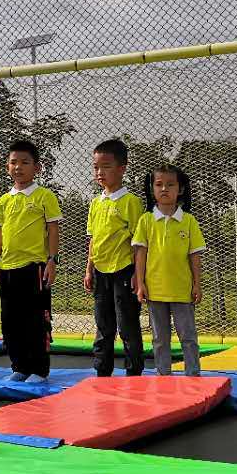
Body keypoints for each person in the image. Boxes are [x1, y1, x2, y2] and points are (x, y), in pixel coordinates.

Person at [0, 139, 61, 384]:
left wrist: (52, 260)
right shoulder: (3, 202)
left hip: (34, 268)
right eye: (13, 162)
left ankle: (39, 369)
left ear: (37, 168)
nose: (18, 167)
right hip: (8, 269)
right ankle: (19, 365)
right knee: (11, 321)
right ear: (7, 166)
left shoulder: (44, 196)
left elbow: (52, 230)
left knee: (36, 321)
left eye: (25, 162)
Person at [131, 163, 206, 375]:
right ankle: (163, 374)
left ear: (180, 189)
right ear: (152, 189)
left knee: (188, 337)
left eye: (170, 184)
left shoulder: (189, 221)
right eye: (159, 184)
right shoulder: (146, 221)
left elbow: (195, 256)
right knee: (159, 338)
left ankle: (193, 374)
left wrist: (197, 284)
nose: (164, 189)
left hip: (182, 291)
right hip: (155, 291)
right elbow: (140, 254)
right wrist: (141, 283)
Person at [85, 138, 145, 377]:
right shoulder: (95, 203)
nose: (100, 172)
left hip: (124, 271)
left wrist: (137, 275)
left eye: (106, 166)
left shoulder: (130, 202)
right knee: (103, 324)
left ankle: (134, 372)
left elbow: (138, 243)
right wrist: (89, 269)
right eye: (96, 167)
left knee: (127, 325)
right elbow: (93, 239)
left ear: (122, 168)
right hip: (100, 271)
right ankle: (102, 372)